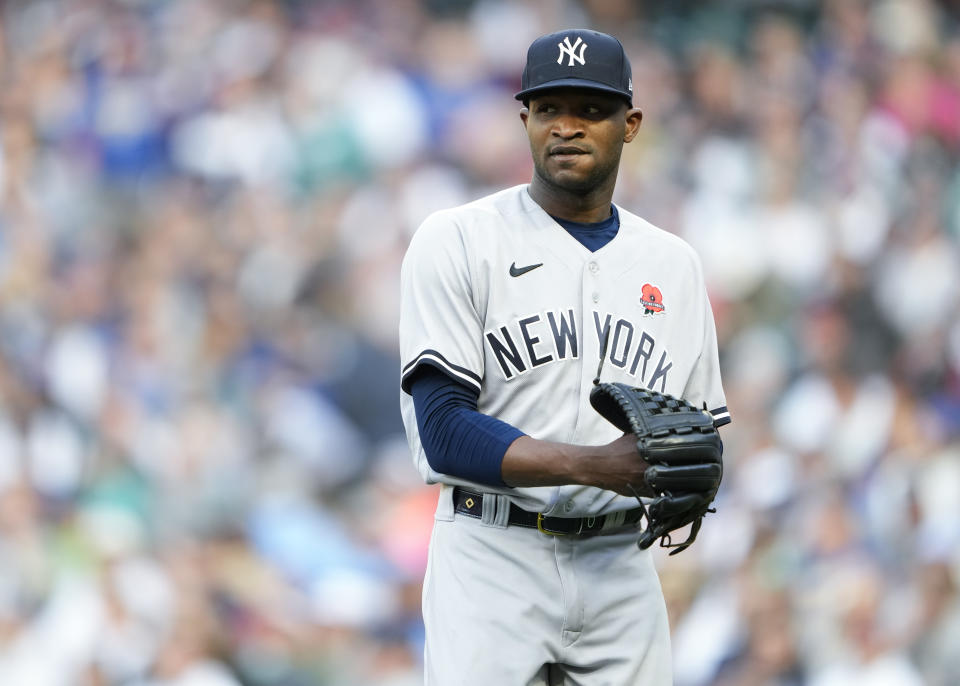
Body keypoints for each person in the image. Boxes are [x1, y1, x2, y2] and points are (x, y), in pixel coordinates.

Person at [399, 28, 730, 685]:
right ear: (524, 119)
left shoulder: (674, 266)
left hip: (619, 561)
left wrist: (692, 482)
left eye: (591, 109)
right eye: (550, 109)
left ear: (630, 124)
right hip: (492, 554)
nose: (567, 127)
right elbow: (442, 433)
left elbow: (699, 437)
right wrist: (599, 465)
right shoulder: (459, 240)